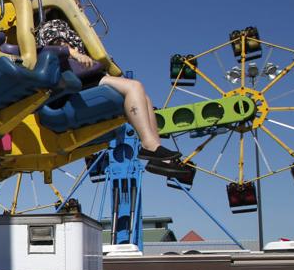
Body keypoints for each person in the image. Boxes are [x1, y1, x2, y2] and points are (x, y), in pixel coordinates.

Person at [36, 18, 190, 178]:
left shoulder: (74, 28)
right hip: (72, 80)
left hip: (86, 76)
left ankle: (157, 152)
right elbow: (51, 48)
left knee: (145, 99)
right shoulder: (53, 23)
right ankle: (149, 146)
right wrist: (74, 53)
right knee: (134, 87)